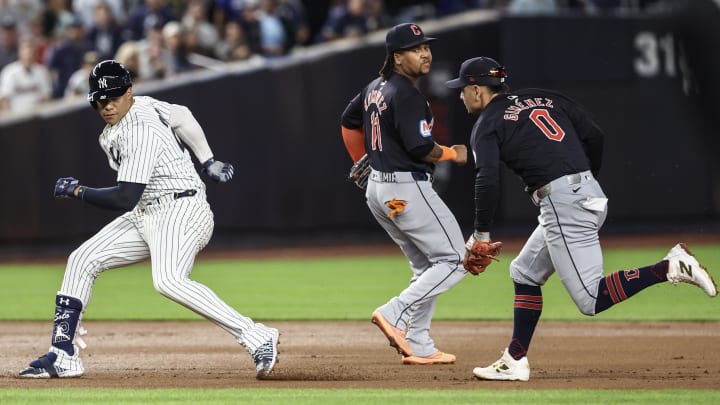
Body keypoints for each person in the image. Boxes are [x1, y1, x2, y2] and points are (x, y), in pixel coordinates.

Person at [444, 56, 718, 381]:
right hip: (585, 191)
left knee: (590, 299)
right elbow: (595, 136)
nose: (460, 96)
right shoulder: (547, 98)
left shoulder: (487, 123)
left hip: (563, 203)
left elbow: (486, 178)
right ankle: (514, 360)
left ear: (477, 89)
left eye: (463, 89)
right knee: (524, 273)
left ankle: (668, 267)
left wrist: (482, 234)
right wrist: (583, 179)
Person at [18, 60, 279, 380]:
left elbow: (124, 197)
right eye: (100, 100)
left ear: (129, 92)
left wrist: (78, 191)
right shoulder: (144, 105)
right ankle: (63, 355)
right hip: (147, 212)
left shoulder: (139, 131)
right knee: (81, 259)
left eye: (114, 97)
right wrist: (207, 159)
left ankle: (256, 336)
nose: (107, 106)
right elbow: (182, 115)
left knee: (168, 280)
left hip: (181, 210)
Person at [340, 23, 470, 365]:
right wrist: (453, 154)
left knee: (427, 265)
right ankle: (394, 312)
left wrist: (360, 160)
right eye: (415, 49)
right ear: (397, 57)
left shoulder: (373, 87)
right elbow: (421, 147)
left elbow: (348, 120)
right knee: (455, 259)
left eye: (425, 47)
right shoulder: (406, 93)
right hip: (405, 186)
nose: (424, 53)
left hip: (378, 189)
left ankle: (420, 342)